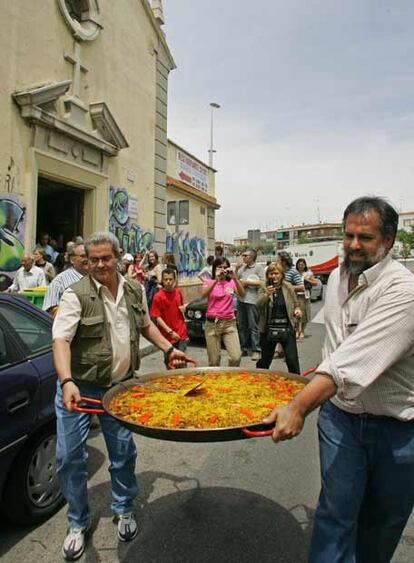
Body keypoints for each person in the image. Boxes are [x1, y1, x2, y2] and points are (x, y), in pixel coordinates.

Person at [264, 196, 414, 563]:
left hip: (396, 429)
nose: (353, 245)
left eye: (365, 238)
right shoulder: (335, 279)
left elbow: (350, 362)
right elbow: (334, 349)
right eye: (348, 236)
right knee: (334, 514)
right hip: (340, 419)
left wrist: (298, 405)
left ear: (389, 240)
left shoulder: (404, 292)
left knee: (381, 522)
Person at [53, 232, 191, 561]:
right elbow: (59, 340)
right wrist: (66, 381)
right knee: (69, 458)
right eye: (93, 259)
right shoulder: (75, 294)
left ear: (118, 257)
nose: (99, 265)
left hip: (121, 387)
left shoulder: (134, 289)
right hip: (80, 389)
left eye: (106, 258)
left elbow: (144, 325)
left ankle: (124, 508)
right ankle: (77, 522)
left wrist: (169, 348)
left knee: (123, 454)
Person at [256, 262, 301, 373]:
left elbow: (296, 304)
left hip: (286, 327)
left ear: (281, 274)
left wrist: (297, 310)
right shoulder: (264, 287)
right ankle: (260, 382)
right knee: (264, 361)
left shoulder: (288, 287)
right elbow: (258, 305)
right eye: (271, 274)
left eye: (276, 273)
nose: (274, 276)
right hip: (268, 329)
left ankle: (297, 384)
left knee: (292, 360)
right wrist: (267, 294)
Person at [201, 257, 245, 367]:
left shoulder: (231, 282)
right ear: (214, 269)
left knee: (236, 357)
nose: (222, 270)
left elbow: (242, 294)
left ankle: (230, 378)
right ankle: (216, 381)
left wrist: (235, 278)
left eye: (225, 267)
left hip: (229, 323)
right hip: (212, 324)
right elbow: (203, 295)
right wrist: (216, 279)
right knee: (214, 361)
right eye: (219, 267)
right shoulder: (208, 281)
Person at [150, 267, 188, 365]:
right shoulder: (158, 297)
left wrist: (184, 308)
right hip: (167, 336)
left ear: (174, 280)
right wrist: (170, 332)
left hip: (181, 333)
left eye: (170, 279)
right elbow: (157, 317)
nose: (168, 282)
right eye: (166, 279)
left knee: (181, 362)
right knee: (170, 363)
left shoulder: (178, 292)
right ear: (162, 280)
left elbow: (181, 307)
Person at [235, 249, 265, 361]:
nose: (243, 257)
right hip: (241, 300)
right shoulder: (242, 268)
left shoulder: (258, 268)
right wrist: (237, 268)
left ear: (252, 257)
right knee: (242, 325)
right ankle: (244, 348)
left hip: (252, 301)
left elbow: (263, 283)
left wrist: (247, 283)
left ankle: (256, 350)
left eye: (245, 255)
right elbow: (235, 280)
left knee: (253, 326)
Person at [43, 243, 89, 315]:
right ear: (72, 260)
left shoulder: (97, 278)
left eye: (89, 256)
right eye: (83, 256)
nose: (87, 259)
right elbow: (51, 309)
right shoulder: (59, 281)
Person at [294, 258, 318, 340]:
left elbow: (315, 283)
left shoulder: (308, 273)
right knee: (296, 314)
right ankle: (297, 330)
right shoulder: (294, 273)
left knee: (305, 314)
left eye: (302, 264)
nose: (301, 266)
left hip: (305, 296)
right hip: (296, 296)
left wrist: (306, 279)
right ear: (297, 265)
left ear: (305, 265)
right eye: (299, 264)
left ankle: (302, 331)